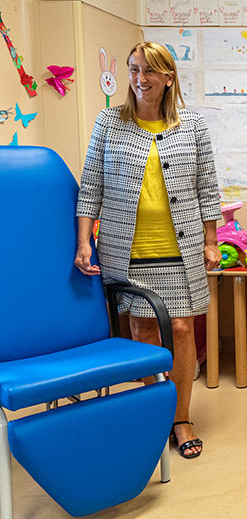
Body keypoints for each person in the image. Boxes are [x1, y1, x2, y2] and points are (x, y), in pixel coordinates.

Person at [75, 41, 221, 459]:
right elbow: (91, 187)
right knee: (142, 331)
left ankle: (181, 417)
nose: (141, 79)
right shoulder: (109, 123)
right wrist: (85, 241)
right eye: (134, 70)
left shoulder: (191, 125)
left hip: (182, 245)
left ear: (168, 76)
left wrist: (212, 240)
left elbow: (207, 190)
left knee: (180, 329)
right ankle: (157, 407)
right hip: (127, 248)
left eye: (150, 71)